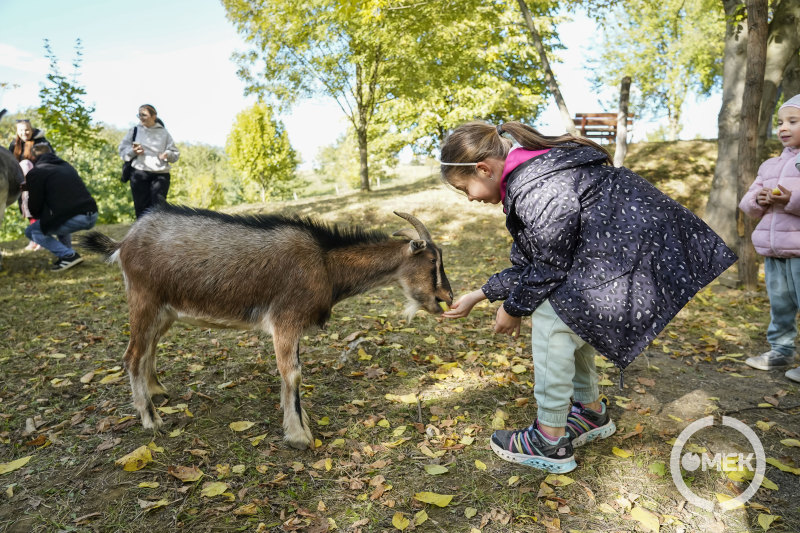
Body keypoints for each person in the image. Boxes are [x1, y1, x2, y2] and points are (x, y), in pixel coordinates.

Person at [439, 121, 737, 473]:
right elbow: (534, 259)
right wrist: (480, 295)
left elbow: (549, 265)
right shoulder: (534, 175)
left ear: (484, 169)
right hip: (621, 263)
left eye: (465, 188)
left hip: (639, 263)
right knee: (568, 314)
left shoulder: (538, 185)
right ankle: (591, 412)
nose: (470, 198)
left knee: (553, 318)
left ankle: (549, 440)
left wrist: (513, 308)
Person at [739, 94, 800, 384]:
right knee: (781, 305)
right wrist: (759, 200)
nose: (783, 127)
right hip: (774, 250)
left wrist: (792, 199)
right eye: (780, 122)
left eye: (793, 121)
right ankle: (781, 351)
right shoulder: (770, 165)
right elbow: (747, 202)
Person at [23, 143, 98, 272]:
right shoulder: (66, 166)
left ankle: (68, 255)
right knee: (58, 218)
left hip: (76, 218)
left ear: (33, 158)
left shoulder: (37, 172)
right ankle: (68, 253)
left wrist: (31, 188)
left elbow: (35, 206)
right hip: (92, 213)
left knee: (32, 231)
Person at [118, 104, 179, 218]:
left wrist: (167, 154)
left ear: (154, 116)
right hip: (139, 173)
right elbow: (122, 151)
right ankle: (141, 230)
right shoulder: (134, 131)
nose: (141, 117)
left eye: (144, 115)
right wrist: (133, 151)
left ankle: (157, 230)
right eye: (139, 115)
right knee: (141, 208)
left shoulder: (164, 133)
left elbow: (175, 154)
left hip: (160, 175)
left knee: (159, 209)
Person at [8, 119, 54, 251]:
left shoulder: (41, 142)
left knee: (39, 211)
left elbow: (49, 160)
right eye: (21, 130)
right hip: (22, 184)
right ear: (17, 131)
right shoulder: (14, 144)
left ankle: (42, 240)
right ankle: (34, 240)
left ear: (32, 129)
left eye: (27, 129)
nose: (24, 133)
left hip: (39, 181)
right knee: (29, 211)